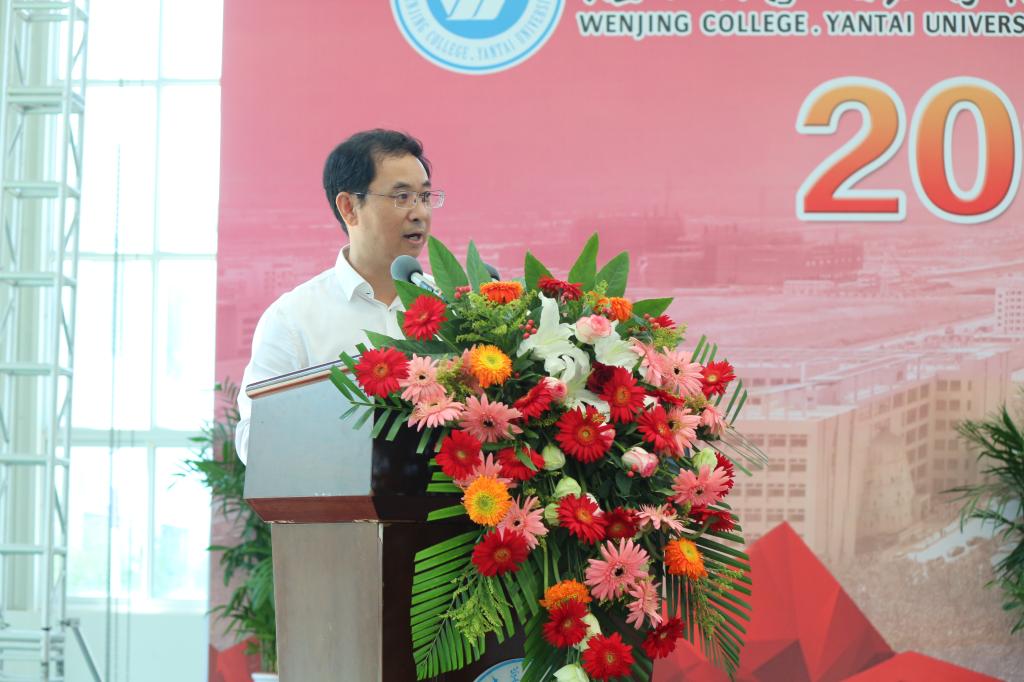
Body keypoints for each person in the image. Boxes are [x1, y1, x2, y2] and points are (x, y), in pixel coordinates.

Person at [234, 129, 444, 463]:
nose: (420, 212)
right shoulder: (294, 319)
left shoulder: (451, 307)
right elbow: (253, 441)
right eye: (402, 197)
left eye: (425, 196)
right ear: (349, 208)